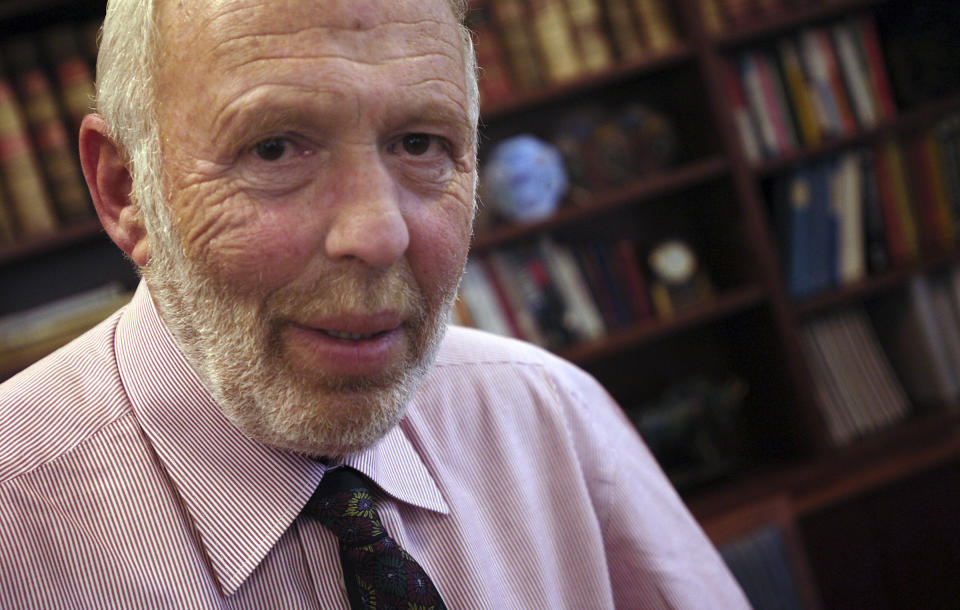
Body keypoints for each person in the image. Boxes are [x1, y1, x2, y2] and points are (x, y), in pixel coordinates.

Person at [0, 0, 749, 607]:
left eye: (420, 144)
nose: (379, 234)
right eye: (274, 149)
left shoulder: (551, 415)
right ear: (125, 190)